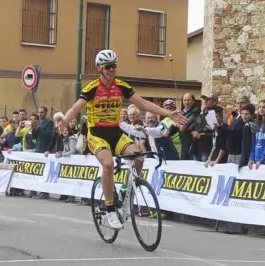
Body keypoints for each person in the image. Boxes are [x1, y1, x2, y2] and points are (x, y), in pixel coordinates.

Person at [63, 49, 186, 229]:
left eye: (114, 65)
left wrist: (169, 114)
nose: (112, 70)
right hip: (96, 134)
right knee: (108, 164)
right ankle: (110, 207)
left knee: (139, 158)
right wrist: (64, 121)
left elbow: (144, 104)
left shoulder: (122, 86)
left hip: (116, 132)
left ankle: (125, 192)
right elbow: (75, 109)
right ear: (99, 68)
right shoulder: (91, 89)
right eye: (108, 67)